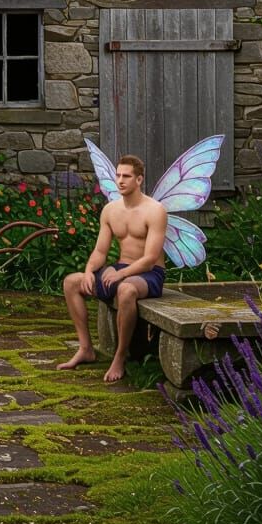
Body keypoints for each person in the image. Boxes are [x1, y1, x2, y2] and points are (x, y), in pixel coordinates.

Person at [57, 154, 167, 382]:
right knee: (72, 282)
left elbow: (150, 258)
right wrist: (89, 271)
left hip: (149, 274)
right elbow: (100, 252)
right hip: (121, 269)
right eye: (118, 175)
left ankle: (120, 356)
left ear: (139, 179)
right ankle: (86, 349)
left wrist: (121, 274)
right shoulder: (110, 210)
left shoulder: (155, 210)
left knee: (126, 290)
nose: (120, 181)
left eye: (126, 176)